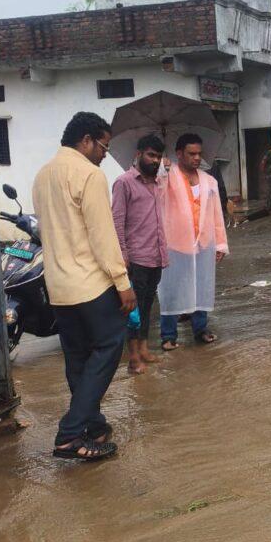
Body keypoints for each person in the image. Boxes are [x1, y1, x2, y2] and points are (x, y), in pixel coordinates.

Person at [32, 112, 136, 461]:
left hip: (58, 287)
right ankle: (70, 433)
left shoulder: (42, 175)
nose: (104, 154)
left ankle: (91, 424)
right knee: (109, 347)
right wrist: (122, 283)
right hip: (90, 284)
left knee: (77, 358)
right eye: (103, 146)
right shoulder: (89, 175)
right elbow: (102, 235)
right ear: (87, 140)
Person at [158, 132, 228, 348]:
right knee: (171, 288)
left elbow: (217, 214)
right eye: (192, 153)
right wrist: (162, 169)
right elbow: (157, 195)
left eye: (199, 153)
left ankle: (201, 329)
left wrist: (220, 244)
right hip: (176, 244)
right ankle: (169, 335)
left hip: (203, 243)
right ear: (179, 153)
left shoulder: (210, 181)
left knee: (202, 285)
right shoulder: (168, 177)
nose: (197, 158)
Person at [111, 133, 168, 374]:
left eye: (159, 157)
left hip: (155, 255)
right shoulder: (124, 182)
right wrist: (122, 254)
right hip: (135, 257)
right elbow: (116, 221)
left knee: (146, 305)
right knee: (133, 311)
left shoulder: (158, 183)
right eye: (151, 155)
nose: (155, 161)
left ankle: (144, 348)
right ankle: (133, 358)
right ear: (138, 155)